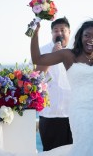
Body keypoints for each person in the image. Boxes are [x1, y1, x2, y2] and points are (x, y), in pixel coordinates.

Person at [31, 19, 93, 156]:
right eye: (87, 35)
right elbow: (37, 59)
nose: (91, 39)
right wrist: (35, 33)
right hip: (80, 111)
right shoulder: (68, 55)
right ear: (80, 36)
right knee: (84, 147)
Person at [36, 17, 73, 151]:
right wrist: (52, 56)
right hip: (50, 115)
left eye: (63, 30)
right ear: (52, 33)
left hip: (74, 114)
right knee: (52, 152)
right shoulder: (41, 51)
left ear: (69, 32)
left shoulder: (76, 51)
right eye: (55, 30)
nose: (59, 33)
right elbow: (36, 77)